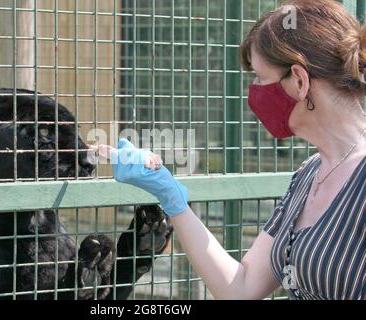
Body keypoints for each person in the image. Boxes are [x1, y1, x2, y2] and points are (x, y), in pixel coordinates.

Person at [95, 0, 365, 300]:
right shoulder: (308, 175)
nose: (254, 92)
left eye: (261, 79)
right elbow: (241, 287)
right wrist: (170, 195)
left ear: (299, 81)